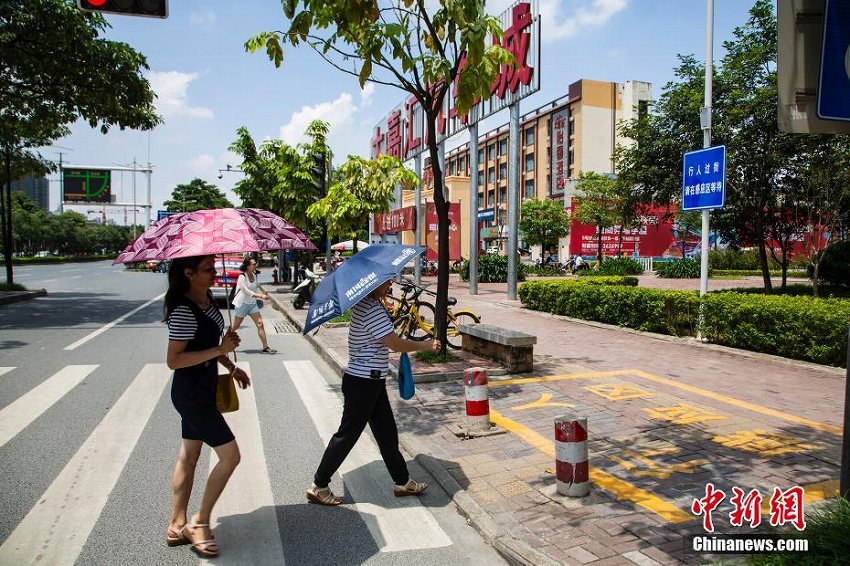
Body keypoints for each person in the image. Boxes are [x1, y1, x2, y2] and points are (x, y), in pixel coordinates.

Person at [306, 278, 442, 506]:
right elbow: (394, 344)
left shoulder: (368, 305)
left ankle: (403, 481)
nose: (389, 285)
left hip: (371, 381)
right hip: (363, 383)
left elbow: (382, 337)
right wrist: (426, 345)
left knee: (387, 434)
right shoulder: (371, 309)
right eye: (385, 283)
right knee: (347, 435)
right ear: (372, 285)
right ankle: (319, 485)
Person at [163, 255, 251, 558]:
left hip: (204, 387)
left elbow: (210, 346)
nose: (215, 273)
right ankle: (199, 522)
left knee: (189, 454)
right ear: (189, 274)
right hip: (191, 394)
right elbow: (174, 360)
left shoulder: (208, 302)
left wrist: (230, 364)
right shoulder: (183, 311)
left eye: (214, 267)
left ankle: (176, 525)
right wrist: (219, 348)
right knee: (231, 457)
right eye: (208, 269)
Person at [230, 257, 276, 354]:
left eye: (255, 264)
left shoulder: (255, 275)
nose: (255, 266)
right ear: (247, 266)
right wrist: (261, 296)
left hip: (252, 304)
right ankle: (224, 344)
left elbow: (255, 287)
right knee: (235, 327)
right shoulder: (242, 277)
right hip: (242, 304)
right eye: (253, 264)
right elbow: (246, 291)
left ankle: (265, 347)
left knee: (260, 324)